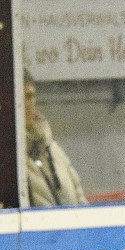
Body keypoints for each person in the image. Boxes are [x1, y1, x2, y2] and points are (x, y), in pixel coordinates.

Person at [24, 70, 88, 208]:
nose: (26, 104)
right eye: (19, 98)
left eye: (29, 96)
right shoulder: (8, 160)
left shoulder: (53, 149)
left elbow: (79, 196)